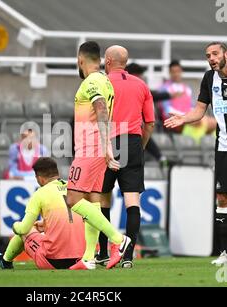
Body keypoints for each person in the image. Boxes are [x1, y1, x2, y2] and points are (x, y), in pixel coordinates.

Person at [165, 42, 227, 265]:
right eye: (208, 55)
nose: (211, 58)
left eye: (215, 54)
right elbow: (200, 111)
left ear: (226, 54)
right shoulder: (209, 79)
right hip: (223, 146)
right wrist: (183, 117)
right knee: (223, 197)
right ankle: (224, 254)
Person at [64, 41, 130, 270]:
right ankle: (88, 257)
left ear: (80, 60)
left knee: (72, 199)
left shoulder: (91, 81)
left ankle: (118, 239)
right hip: (97, 150)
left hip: (89, 149)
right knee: (93, 201)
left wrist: (106, 146)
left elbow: (101, 109)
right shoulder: (105, 81)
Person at [96, 46, 155, 268]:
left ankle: (103, 251)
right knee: (132, 201)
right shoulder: (141, 85)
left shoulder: (100, 83)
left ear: (108, 61)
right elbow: (149, 123)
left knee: (102, 198)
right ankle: (128, 256)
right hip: (131, 141)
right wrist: (140, 146)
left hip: (106, 142)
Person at [0, 157, 86, 270]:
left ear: (40, 178)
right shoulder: (75, 188)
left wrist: (15, 225)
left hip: (53, 262)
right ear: (57, 173)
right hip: (81, 260)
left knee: (26, 230)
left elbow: (23, 229)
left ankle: (5, 261)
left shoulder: (40, 193)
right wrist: (46, 223)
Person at [160, 60, 216, 144]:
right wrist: (184, 116)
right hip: (173, 119)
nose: (176, 74)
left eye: (178, 71)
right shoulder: (164, 88)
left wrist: (190, 116)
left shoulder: (186, 88)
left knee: (216, 123)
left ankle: (207, 148)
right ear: (169, 73)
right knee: (200, 121)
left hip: (187, 118)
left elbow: (192, 106)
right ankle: (195, 146)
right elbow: (166, 110)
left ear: (181, 72)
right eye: (173, 72)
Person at [125, 63, 170, 166]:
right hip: (128, 130)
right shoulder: (137, 87)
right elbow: (150, 123)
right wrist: (169, 95)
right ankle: (159, 157)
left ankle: (159, 157)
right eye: (139, 75)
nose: (141, 78)